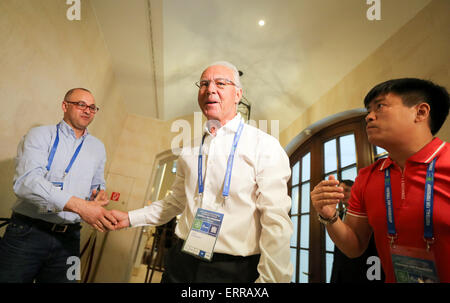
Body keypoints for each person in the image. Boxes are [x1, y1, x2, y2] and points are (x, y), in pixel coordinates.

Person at [111, 61, 293, 283]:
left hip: (233, 271)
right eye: (204, 83)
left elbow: (276, 220)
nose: (210, 89)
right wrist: (130, 218)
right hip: (181, 261)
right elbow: (174, 203)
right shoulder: (189, 149)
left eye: (221, 83)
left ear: (238, 94)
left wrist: (271, 281)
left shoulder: (264, 145)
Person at [311, 78, 450, 283]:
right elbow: (354, 246)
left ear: (420, 112)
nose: (369, 117)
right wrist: (329, 216)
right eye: (368, 110)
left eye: (380, 106)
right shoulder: (367, 177)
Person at [0, 88, 117, 283]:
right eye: (81, 104)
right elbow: (26, 182)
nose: (87, 110)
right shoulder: (39, 135)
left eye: (92, 107)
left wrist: (99, 193)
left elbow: (97, 182)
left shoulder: (98, 147)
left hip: (70, 238)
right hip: (27, 232)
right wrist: (80, 206)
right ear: (65, 106)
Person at [330, 180, 384, 283]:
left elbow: (375, 250)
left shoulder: (368, 216)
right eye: (340, 191)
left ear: (355, 192)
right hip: (342, 272)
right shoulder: (339, 217)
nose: (342, 194)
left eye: (346, 190)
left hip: (366, 271)